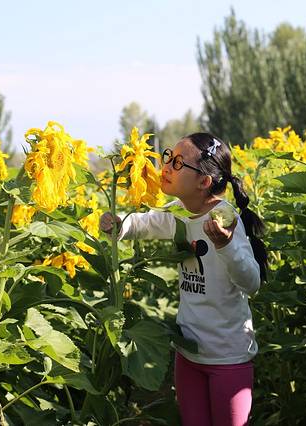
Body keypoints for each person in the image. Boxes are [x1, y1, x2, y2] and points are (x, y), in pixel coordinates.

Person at [100, 132, 268, 426]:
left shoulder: (224, 219)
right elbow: (148, 223)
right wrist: (120, 225)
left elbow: (251, 282)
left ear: (204, 182)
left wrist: (225, 245)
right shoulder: (179, 212)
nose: (165, 167)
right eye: (169, 157)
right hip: (188, 351)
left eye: (177, 163)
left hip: (227, 357)